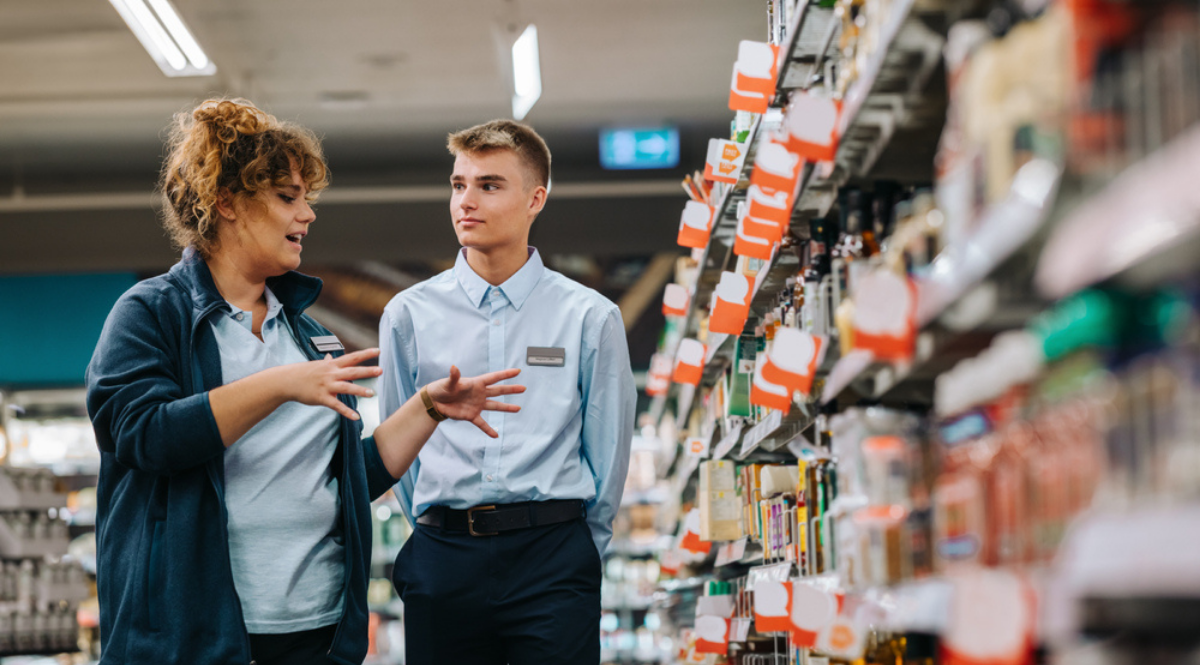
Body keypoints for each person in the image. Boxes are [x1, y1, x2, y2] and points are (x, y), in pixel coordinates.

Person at [85, 99, 525, 665]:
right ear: (227, 204)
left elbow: (344, 480)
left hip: (315, 632)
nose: (308, 215)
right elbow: (142, 435)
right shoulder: (152, 314)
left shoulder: (310, 336)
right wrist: (278, 385)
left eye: (307, 199)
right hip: (194, 636)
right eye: (288, 198)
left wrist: (428, 409)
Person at [378, 119, 636, 664]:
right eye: (457, 184)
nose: (465, 201)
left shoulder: (590, 317)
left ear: (535, 199)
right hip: (444, 556)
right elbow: (398, 452)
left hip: (553, 558)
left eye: (489, 185)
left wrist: (578, 552)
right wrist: (435, 526)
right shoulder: (408, 315)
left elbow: (608, 452)